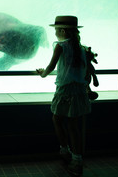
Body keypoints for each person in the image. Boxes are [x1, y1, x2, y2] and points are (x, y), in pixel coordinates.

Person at [36, 15, 91, 176]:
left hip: (65, 90)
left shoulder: (60, 46)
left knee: (59, 120)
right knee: (72, 125)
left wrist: (43, 74)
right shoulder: (81, 48)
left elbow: (51, 66)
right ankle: (71, 155)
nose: (54, 33)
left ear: (62, 30)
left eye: (55, 30)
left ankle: (72, 157)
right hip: (79, 90)